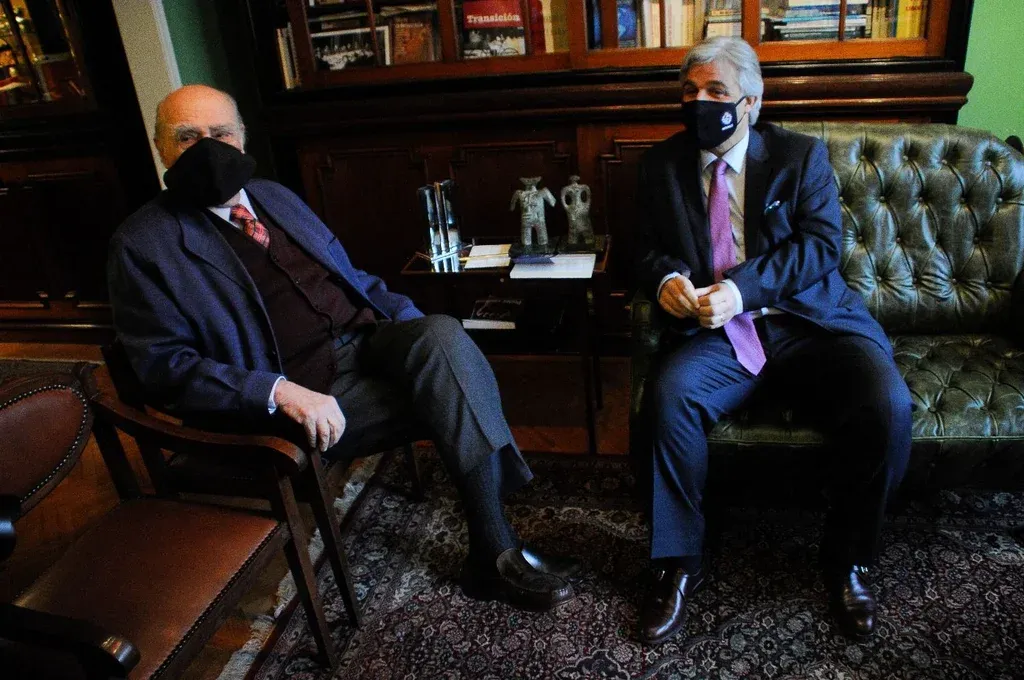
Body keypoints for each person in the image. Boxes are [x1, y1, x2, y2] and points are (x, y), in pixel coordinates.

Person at [108, 84, 579, 612]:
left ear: (242, 137)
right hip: (298, 389)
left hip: (368, 341)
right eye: (188, 137)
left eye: (221, 133)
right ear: (160, 148)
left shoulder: (275, 197)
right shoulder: (142, 243)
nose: (209, 148)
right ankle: (496, 551)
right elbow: (164, 368)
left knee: (446, 338)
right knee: (459, 390)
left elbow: (352, 278)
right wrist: (278, 391)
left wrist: (422, 338)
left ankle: (491, 549)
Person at [634, 38, 911, 644]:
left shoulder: (799, 155)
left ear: (752, 103)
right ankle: (676, 564)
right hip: (718, 334)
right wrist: (666, 280)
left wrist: (743, 288)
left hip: (808, 323)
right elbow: (644, 249)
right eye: (690, 91)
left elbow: (821, 245)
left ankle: (849, 560)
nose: (700, 103)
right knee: (669, 396)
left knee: (887, 404)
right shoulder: (660, 165)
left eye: (716, 92)